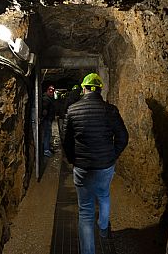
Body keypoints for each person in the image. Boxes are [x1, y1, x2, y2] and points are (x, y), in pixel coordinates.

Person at [62, 73, 128, 254]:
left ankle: (88, 251)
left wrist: (73, 160)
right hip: (105, 165)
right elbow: (123, 137)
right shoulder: (110, 110)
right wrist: (112, 156)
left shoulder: (72, 110)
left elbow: (66, 142)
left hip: (83, 167)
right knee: (104, 195)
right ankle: (104, 228)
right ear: (100, 89)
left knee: (85, 210)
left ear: (84, 89)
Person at [42, 85, 56, 157]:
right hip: (46, 119)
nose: (51, 92)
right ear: (47, 90)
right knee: (47, 134)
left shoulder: (49, 98)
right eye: (50, 91)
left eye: (52, 91)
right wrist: (44, 114)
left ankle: (46, 148)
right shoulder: (46, 99)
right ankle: (46, 150)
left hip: (48, 119)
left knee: (48, 134)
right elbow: (45, 109)